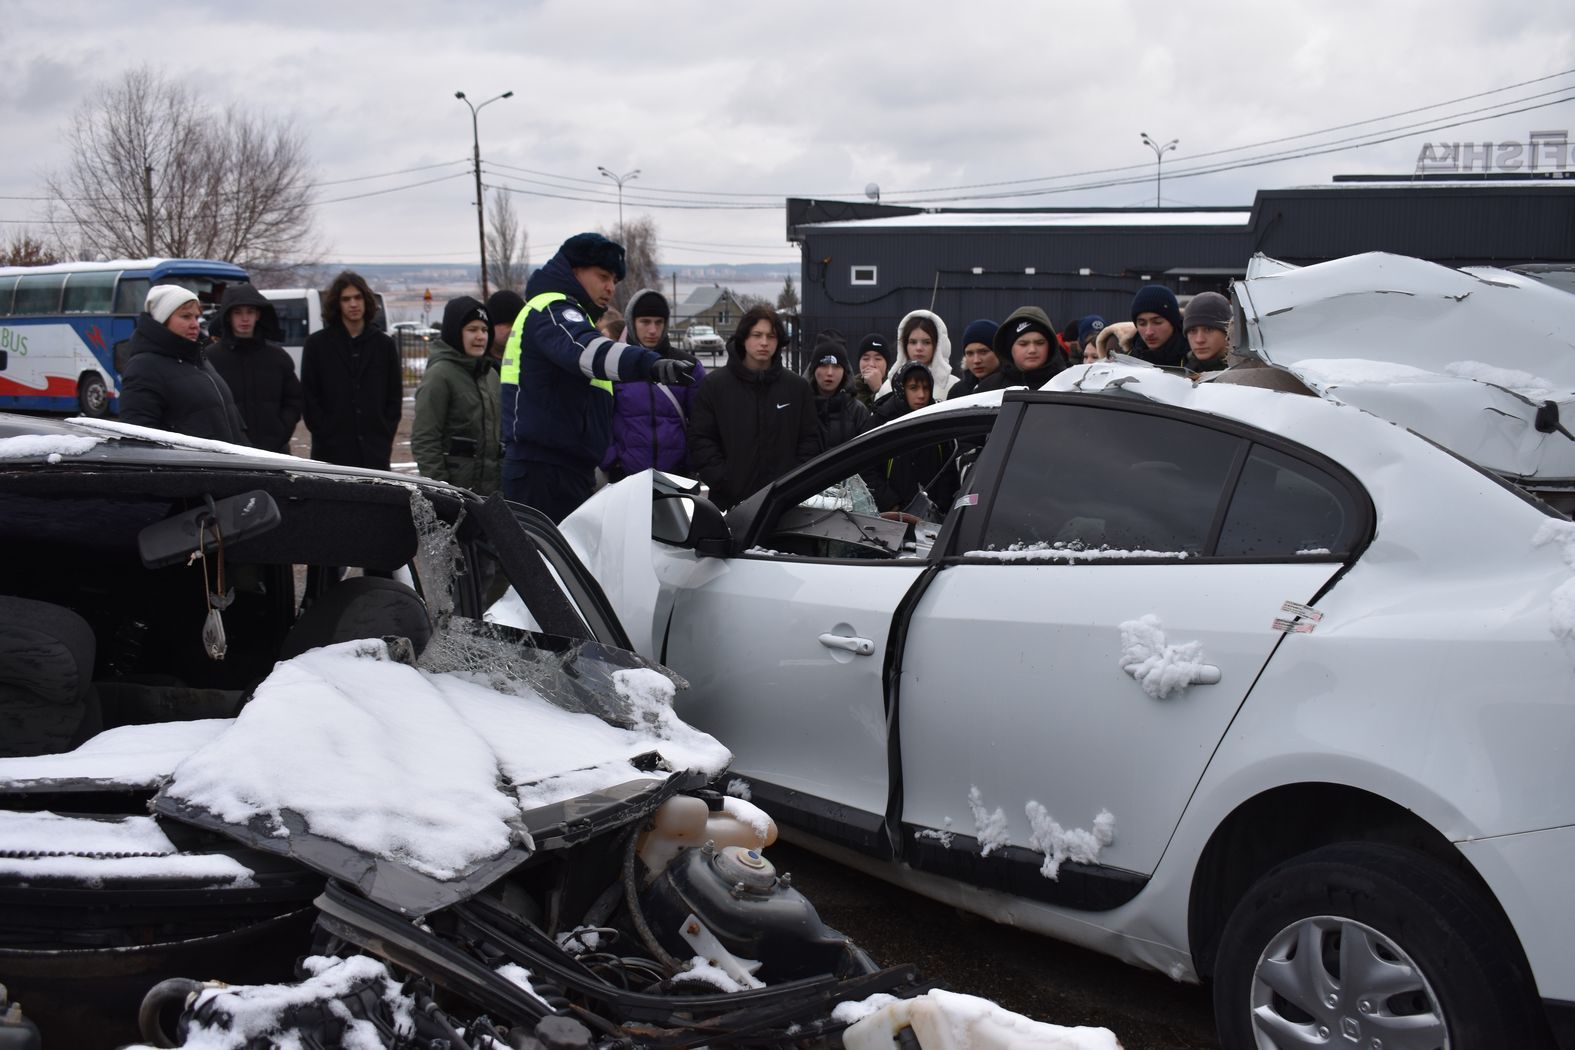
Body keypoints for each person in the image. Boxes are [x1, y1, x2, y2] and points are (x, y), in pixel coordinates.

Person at [501, 232, 694, 522]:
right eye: (603, 276)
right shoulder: (553, 309)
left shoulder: (569, 313)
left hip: (562, 470)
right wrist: (648, 365)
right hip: (543, 472)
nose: (610, 287)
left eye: (614, 281)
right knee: (544, 566)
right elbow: (586, 350)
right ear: (574, 270)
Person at [688, 304, 820, 510]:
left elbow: (810, 440)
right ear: (744, 337)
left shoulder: (796, 388)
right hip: (728, 504)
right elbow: (701, 439)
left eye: (771, 336)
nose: (764, 342)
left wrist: (793, 481)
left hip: (784, 505)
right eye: (757, 334)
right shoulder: (715, 386)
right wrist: (724, 480)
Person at [118, 285, 248, 443]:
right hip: (193, 467)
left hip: (230, 465)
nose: (195, 324)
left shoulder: (198, 358)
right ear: (163, 320)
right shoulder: (143, 367)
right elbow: (138, 442)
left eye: (196, 317)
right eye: (186, 316)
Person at [301, 271, 402, 470]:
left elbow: (394, 397)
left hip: (375, 453)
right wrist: (325, 432)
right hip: (331, 453)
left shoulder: (384, 345)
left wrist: (384, 433)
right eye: (346, 299)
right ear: (337, 304)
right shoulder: (317, 345)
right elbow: (309, 398)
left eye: (358, 297)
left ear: (366, 300)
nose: (353, 304)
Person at [602, 289, 705, 481]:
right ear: (632, 323)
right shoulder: (614, 365)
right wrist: (612, 461)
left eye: (659, 322)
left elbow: (701, 422)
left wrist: (690, 464)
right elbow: (602, 419)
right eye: (645, 322)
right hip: (626, 476)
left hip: (676, 477)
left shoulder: (688, 366)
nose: (652, 330)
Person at [411, 296, 501, 495]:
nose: (480, 336)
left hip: (491, 494)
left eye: (485, 330)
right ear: (455, 332)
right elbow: (425, 438)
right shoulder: (440, 375)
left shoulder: (490, 375)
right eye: (472, 330)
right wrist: (442, 490)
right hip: (455, 492)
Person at [205, 284, 303, 454]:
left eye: (250, 312)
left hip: (275, 452)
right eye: (238, 312)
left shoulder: (278, 357)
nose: (245, 318)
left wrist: (280, 432)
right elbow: (205, 405)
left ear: (258, 315)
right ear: (228, 316)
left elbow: (294, 400)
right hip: (228, 454)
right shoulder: (210, 358)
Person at [861, 361, 958, 520]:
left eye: (926, 388)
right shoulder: (881, 421)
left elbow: (949, 469)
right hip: (890, 516)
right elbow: (866, 467)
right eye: (914, 388)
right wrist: (890, 502)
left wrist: (941, 504)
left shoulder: (937, 419)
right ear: (901, 389)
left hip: (933, 518)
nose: (921, 395)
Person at [803, 334, 870, 450]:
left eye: (836, 366)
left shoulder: (858, 412)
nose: (830, 372)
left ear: (845, 371)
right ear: (813, 369)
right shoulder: (800, 408)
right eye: (824, 365)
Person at [879, 310, 957, 400]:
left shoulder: (953, 387)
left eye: (927, 342)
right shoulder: (888, 388)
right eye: (913, 342)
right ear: (904, 345)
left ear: (937, 346)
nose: (919, 348)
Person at [994, 306, 1066, 389]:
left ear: (1050, 346)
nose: (1032, 350)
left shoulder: (1068, 385)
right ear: (1009, 348)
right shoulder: (989, 387)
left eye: (1040, 343)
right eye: (1023, 344)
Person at [1128, 285, 1189, 368]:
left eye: (1157, 322)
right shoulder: (1127, 359)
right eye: (1142, 323)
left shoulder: (1195, 358)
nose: (1149, 332)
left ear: (1173, 322)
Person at [948, 319, 1003, 398]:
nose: (976, 360)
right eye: (969, 353)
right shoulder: (957, 392)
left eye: (983, 352)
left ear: (998, 352)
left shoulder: (1013, 387)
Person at [1182, 291, 1232, 374]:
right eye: (1192, 330)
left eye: (1209, 329)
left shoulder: (1249, 377)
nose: (1199, 340)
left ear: (1228, 332)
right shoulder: (1179, 376)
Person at [852, 333, 893, 409]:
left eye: (878, 359)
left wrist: (879, 389)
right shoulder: (849, 390)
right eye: (866, 359)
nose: (871, 364)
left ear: (887, 364)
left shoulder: (895, 388)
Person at [486, 289, 525, 368]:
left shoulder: (533, 360)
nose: (514, 329)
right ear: (490, 326)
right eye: (509, 324)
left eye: (520, 324)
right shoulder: (477, 364)